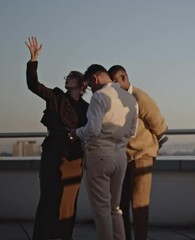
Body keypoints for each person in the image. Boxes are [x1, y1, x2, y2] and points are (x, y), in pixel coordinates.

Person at [25, 36, 89, 240]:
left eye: (72, 76)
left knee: (69, 201)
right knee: (48, 198)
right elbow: (33, 85)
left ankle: (64, 236)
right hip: (53, 152)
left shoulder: (88, 108)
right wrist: (33, 60)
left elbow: (93, 131)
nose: (67, 78)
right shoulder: (56, 96)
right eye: (67, 76)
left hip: (75, 157)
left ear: (81, 84)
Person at [69, 64, 138, 240]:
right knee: (115, 208)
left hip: (99, 155)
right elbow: (132, 132)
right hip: (120, 157)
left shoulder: (99, 96)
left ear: (95, 79)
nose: (91, 90)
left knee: (101, 209)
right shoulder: (130, 99)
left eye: (91, 86)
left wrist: (76, 133)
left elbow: (92, 130)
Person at [108, 65, 168, 240]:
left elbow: (159, 125)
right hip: (124, 158)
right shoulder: (117, 101)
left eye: (114, 81)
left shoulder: (140, 97)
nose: (112, 86)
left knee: (140, 204)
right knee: (120, 204)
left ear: (124, 78)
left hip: (143, 157)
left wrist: (148, 146)